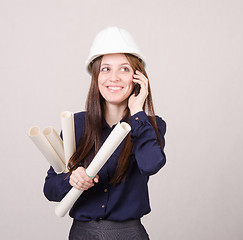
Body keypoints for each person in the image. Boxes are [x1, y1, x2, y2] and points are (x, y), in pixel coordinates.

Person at [43, 26, 166, 240]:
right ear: (96, 76)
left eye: (124, 69)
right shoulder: (76, 124)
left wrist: (137, 110)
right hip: (82, 234)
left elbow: (151, 164)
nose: (114, 77)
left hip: (128, 234)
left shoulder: (149, 125)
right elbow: (50, 189)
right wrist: (71, 181)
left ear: (138, 77)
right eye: (106, 69)